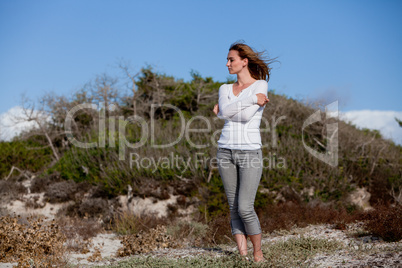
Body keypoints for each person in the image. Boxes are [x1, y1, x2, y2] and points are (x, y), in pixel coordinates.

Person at [213, 42, 272, 262]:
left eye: (231, 59)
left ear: (244, 61)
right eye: (228, 60)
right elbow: (229, 112)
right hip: (225, 150)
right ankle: (243, 256)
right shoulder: (224, 88)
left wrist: (226, 111)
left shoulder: (261, 85)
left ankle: (258, 253)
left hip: (250, 152)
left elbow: (244, 117)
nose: (227, 63)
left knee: (245, 207)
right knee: (233, 207)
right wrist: (248, 100)